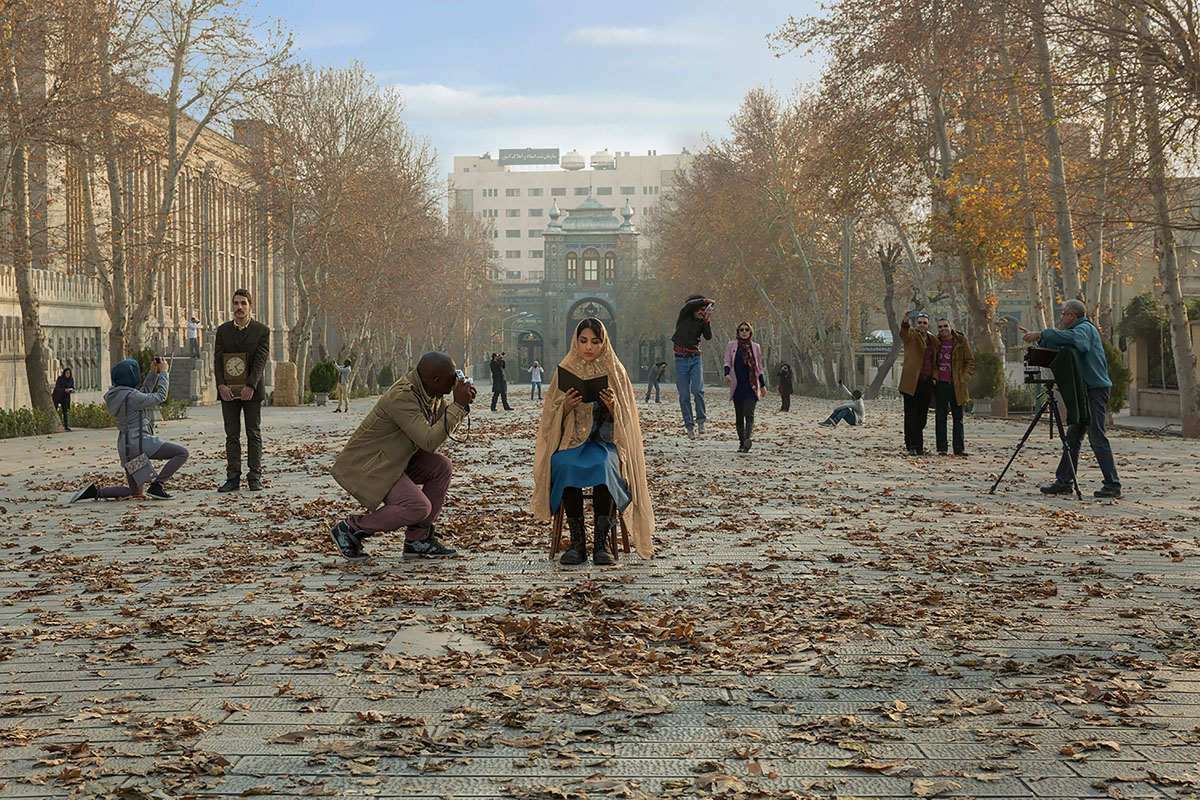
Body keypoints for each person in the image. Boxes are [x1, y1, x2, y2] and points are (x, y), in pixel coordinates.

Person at [328, 351, 476, 560]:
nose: (455, 383)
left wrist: (461, 405)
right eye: (452, 379)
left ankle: (418, 539)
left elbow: (440, 426)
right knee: (418, 506)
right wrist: (458, 405)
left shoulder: (430, 393)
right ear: (436, 381)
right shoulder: (403, 396)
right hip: (371, 465)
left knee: (442, 466)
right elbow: (429, 441)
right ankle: (350, 528)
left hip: (395, 459)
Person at [533, 318, 654, 566]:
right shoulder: (565, 369)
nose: (588, 347)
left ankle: (601, 542)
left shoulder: (616, 371)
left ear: (603, 343)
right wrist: (566, 408)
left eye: (595, 342)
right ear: (576, 342)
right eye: (584, 341)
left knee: (603, 465)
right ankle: (577, 542)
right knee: (565, 464)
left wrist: (613, 406)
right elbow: (549, 418)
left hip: (604, 443)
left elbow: (628, 420)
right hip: (571, 443)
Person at [1021, 299, 1122, 498]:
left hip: (1095, 391)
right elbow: (1060, 343)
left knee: (1097, 437)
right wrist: (1038, 338)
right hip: (1083, 392)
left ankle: (1113, 484)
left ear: (1072, 315)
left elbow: (1078, 342)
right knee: (1073, 437)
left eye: (1063, 313)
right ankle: (1064, 482)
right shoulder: (1075, 330)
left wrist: (1042, 333)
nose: (1061, 317)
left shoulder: (1085, 329)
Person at [71, 357, 189, 502]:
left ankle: (95, 492)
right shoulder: (132, 397)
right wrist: (164, 373)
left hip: (127, 448)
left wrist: (153, 373)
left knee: (135, 492)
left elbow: (143, 395)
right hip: (140, 443)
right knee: (182, 453)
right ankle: (157, 486)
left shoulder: (116, 395)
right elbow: (160, 396)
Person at [214, 288, 270, 492]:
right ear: (232, 306)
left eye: (243, 303)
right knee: (232, 435)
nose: (239, 307)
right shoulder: (223, 331)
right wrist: (221, 385)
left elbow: (260, 361)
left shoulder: (262, 331)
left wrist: (250, 385)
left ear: (250, 306)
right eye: (236, 303)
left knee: (253, 433)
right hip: (228, 391)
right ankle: (232, 477)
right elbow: (217, 359)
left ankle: (255, 476)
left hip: (252, 391)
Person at [672, 295, 714, 439]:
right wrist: (706, 301)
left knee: (697, 390)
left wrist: (707, 319)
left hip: (695, 359)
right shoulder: (684, 316)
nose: (702, 312)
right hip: (680, 360)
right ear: (693, 310)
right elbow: (690, 304)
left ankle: (701, 421)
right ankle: (689, 426)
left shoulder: (702, 322)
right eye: (700, 310)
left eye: (704, 310)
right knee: (684, 396)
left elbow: (708, 336)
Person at [899, 311, 938, 456]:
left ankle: (919, 446)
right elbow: (904, 333)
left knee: (922, 416)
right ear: (916, 324)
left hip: (926, 382)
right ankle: (911, 446)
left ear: (928, 325)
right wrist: (905, 322)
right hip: (911, 382)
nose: (922, 325)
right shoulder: (911, 336)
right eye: (919, 322)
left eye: (924, 323)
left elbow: (936, 361)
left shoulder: (933, 340)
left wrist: (934, 378)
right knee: (911, 415)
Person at [933, 318, 974, 456]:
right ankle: (942, 448)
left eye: (945, 326)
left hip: (957, 385)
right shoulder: (935, 341)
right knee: (940, 418)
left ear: (950, 327)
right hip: (940, 385)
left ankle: (959, 448)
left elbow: (969, 361)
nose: (943, 329)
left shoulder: (961, 341)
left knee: (958, 419)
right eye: (940, 327)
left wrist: (964, 377)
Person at [724, 322, 766, 452]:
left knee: (749, 413)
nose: (744, 332)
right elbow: (727, 362)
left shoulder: (755, 347)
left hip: (751, 386)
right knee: (739, 416)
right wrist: (726, 374)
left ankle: (747, 439)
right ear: (738, 332)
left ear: (750, 332)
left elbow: (758, 367)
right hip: (737, 386)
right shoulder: (731, 345)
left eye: (746, 330)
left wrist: (762, 384)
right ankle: (742, 443)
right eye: (741, 329)